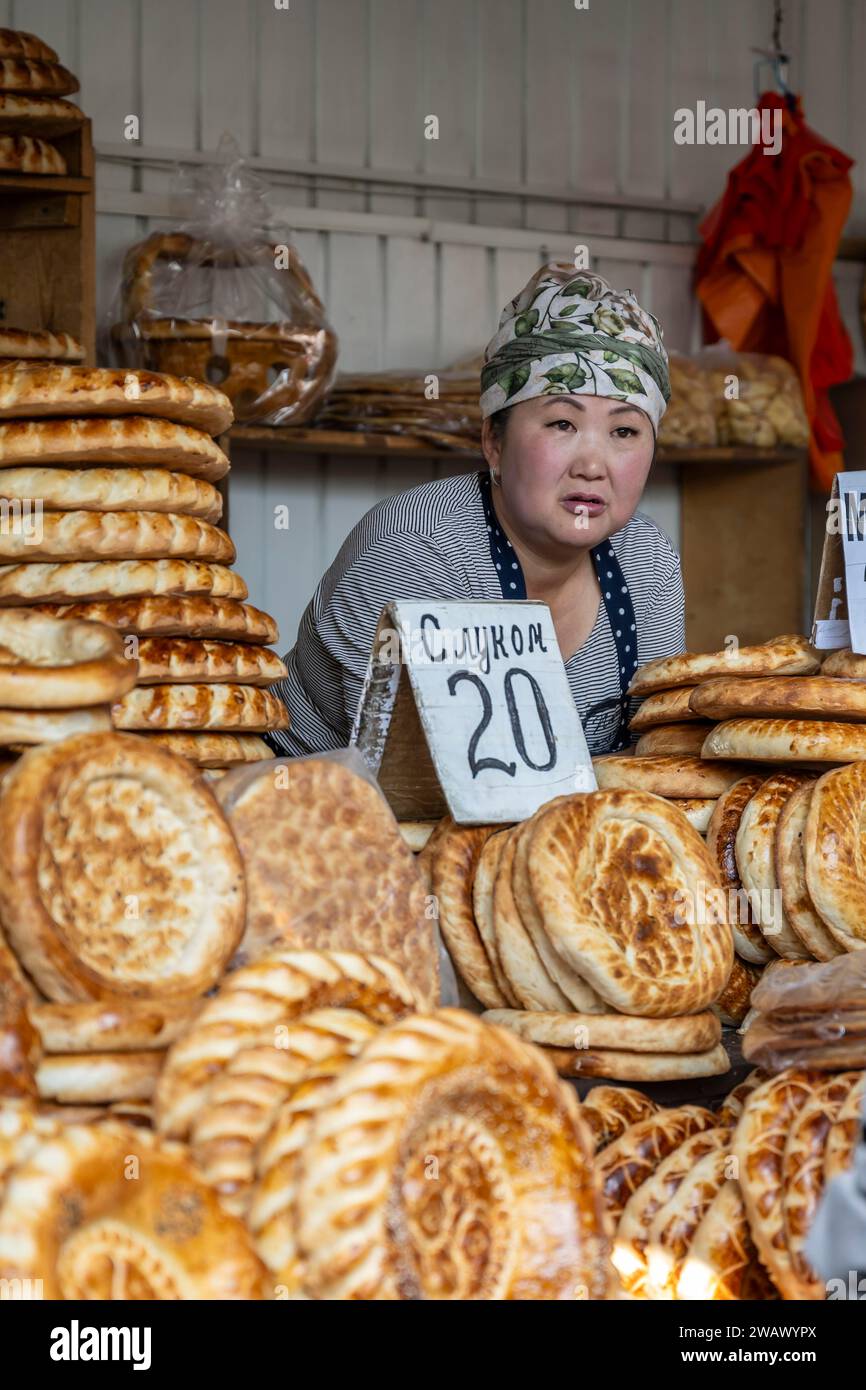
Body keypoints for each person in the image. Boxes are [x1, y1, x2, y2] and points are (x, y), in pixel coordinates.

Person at [266, 261, 685, 758]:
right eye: (561, 424)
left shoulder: (648, 563)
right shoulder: (414, 552)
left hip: (546, 827)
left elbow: (658, 754)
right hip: (309, 809)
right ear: (493, 442)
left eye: (624, 432)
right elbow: (416, 783)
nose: (593, 465)